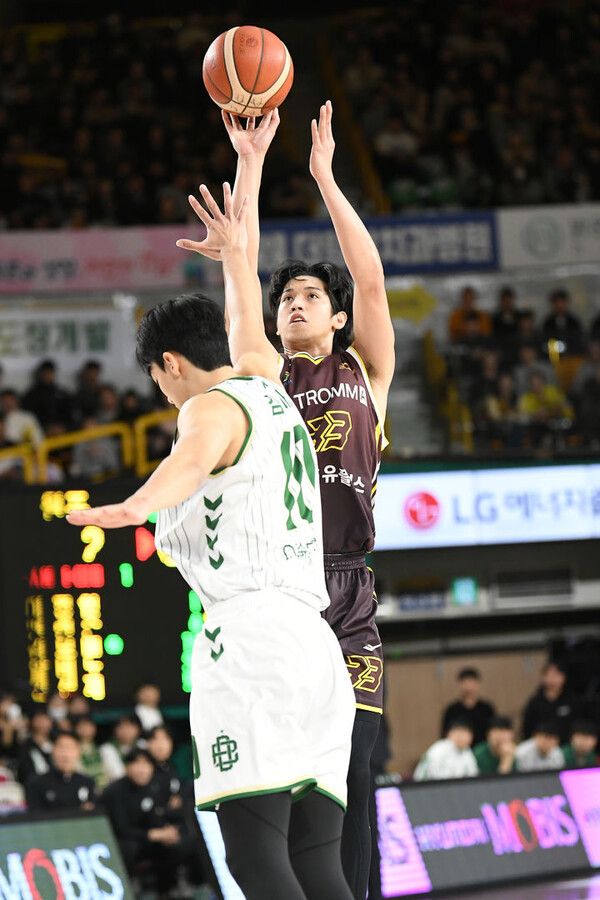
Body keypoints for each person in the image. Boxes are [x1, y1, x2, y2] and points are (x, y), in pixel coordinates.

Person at [68, 184, 355, 900]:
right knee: (318, 864)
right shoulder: (267, 382)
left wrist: (134, 507)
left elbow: (192, 461)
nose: (163, 394)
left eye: (156, 378)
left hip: (252, 643)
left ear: (170, 363)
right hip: (317, 646)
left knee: (256, 861)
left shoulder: (207, 407)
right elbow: (245, 310)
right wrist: (237, 239)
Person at [205, 100, 396, 900]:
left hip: (347, 590)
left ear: (338, 316)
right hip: (282, 594)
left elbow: (372, 278)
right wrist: (249, 164)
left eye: (312, 295)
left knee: (354, 777)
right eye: (287, 298)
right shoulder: (262, 375)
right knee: (295, 790)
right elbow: (241, 270)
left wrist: (323, 176)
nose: (294, 302)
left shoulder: (367, 373)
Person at [102, 747, 203, 895]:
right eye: (136, 763)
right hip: (129, 840)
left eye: (146, 764)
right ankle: (130, 885)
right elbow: (120, 828)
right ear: (127, 767)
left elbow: (160, 814)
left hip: (155, 837)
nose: (141, 769)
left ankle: (184, 885)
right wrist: (153, 834)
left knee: (185, 840)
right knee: (129, 848)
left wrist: (167, 831)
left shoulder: (155, 785)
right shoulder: (114, 791)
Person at [26, 731, 96, 811]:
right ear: (53, 751)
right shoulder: (37, 783)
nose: (65, 754)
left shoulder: (87, 782)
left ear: (78, 752)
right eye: (61, 748)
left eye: (70, 748)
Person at [522, 660, 581, 744]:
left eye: (557, 675)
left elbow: (578, 725)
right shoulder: (535, 702)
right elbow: (527, 727)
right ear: (543, 677)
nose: (553, 679)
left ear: (563, 677)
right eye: (549, 675)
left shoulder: (572, 700)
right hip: (542, 746)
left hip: (566, 745)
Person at [441, 668, 496, 746]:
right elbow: (445, 734)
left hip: (483, 748)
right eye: (465, 683)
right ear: (460, 685)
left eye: (472, 682)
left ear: (477, 684)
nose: (469, 687)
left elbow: (493, 731)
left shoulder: (487, 708)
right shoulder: (451, 710)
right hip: (458, 749)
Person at [413, 720, 478, 781]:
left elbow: (473, 775)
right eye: (460, 733)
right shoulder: (439, 749)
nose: (463, 737)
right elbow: (434, 776)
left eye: (467, 734)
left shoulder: (467, 752)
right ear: (450, 734)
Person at [100, 714, 142, 783]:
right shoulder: (107, 749)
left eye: (129, 727)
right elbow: (117, 774)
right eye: (121, 727)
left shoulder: (143, 745)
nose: (125, 731)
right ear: (115, 730)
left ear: (138, 729)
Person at [541, 288, 584, 355]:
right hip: (552, 357)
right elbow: (545, 343)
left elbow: (578, 341)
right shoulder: (548, 323)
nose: (559, 306)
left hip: (572, 357)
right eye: (557, 303)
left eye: (561, 302)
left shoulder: (574, 322)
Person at [17, 708, 53, 784]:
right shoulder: (26, 744)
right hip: (34, 782)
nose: (43, 723)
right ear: (32, 722)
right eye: (39, 719)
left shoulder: (56, 741)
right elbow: (24, 770)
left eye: (45, 719)